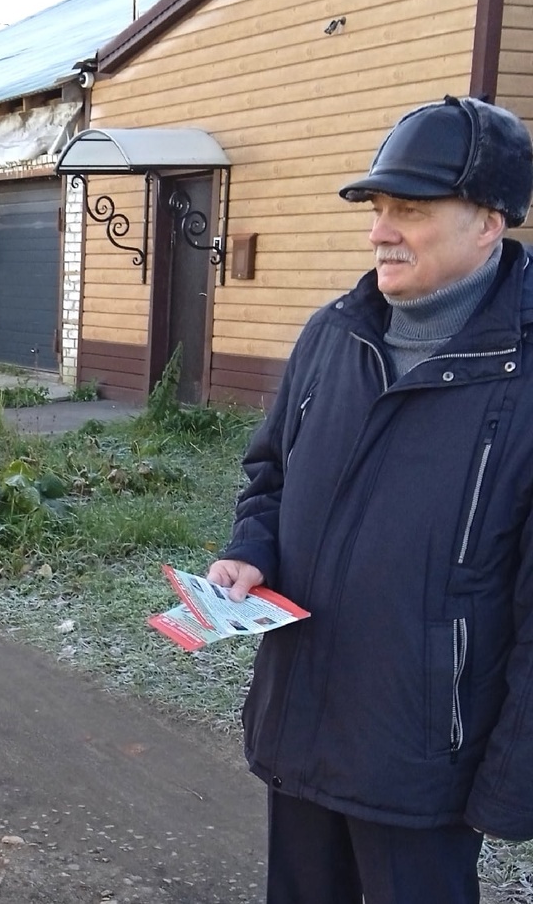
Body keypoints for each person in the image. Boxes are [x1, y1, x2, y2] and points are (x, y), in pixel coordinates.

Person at [207, 95, 533, 904]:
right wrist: (253, 550)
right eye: (378, 207)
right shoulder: (333, 333)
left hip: (423, 767)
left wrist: (511, 785)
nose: (380, 229)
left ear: (490, 223)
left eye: (411, 209)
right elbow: (271, 477)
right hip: (303, 726)